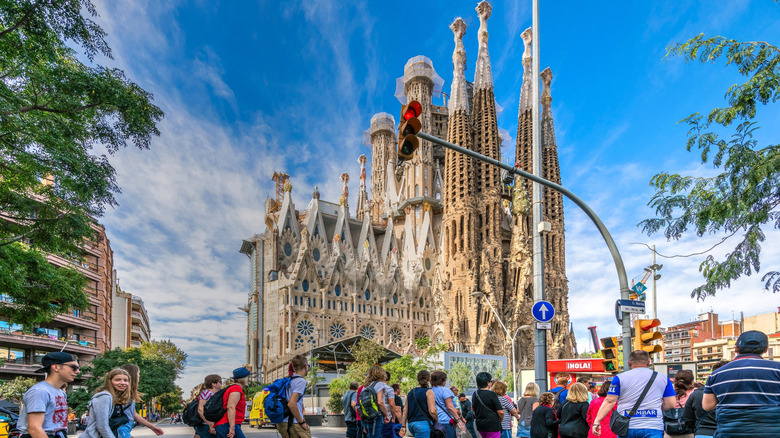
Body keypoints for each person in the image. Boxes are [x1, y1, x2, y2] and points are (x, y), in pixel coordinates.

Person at [702, 330, 780, 436]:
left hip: (730, 433)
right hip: (772, 433)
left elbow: (707, 406)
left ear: (736, 348)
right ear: (766, 349)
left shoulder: (716, 374)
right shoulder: (777, 369)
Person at [592, 350, 676, 438]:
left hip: (626, 427)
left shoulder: (619, 378)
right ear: (648, 362)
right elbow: (671, 403)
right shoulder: (663, 378)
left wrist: (597, 421)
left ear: (629, 363)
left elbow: (609, 401)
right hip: (653, 426)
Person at [17, 352, 77, 438]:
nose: (77, 371)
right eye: (73, 367)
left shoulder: (61, 393)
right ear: (56, 367)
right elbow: (35, 428)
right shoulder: (40, 391)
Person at [81, 369, 134, 438]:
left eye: (125, 380)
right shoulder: (104, 397)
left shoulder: (117, 397)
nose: (122, 383)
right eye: (118, 380)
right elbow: (102, 426)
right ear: (110, 381)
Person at [682, 361, 728, 438]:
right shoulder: (734, 393)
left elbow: (687, 417)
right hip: (726, 432)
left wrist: (695, 429)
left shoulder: (696, 394)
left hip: (702, 433)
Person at [118, 363, 163, 438]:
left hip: (125, 430)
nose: (139, 376)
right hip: (121, 430)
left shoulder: (129, 394)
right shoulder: (120, 395)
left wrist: (152, 427)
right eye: (138, 374)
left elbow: (134, 414)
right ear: (133, 376)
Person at [276, 355, 310, 438]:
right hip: (293, 423)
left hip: (283, 422)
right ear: (305, 366)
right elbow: (291, 403)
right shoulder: (301, 381)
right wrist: (302, 422)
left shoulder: (289, 380)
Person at [214, 367, 252, 438]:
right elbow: (231, 407)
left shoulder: (233, 388)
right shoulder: (236, 389)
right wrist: (232, 427)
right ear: (243, 379)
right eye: (248, 377)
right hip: (227, 424)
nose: (249, 379)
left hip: (225, 424)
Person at [399, 371, 436, 438]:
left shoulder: (411, 392)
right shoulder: (429, 391)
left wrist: (403, 426)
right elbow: (432, 410)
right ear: (429, 379)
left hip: (411, 424)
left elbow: (405, 410)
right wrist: (437, 420)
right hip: (423, 424)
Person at [431, 370, 464, 438]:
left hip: (434, 422)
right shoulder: (445, 390)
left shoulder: (429, 391)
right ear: (442, 381)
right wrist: (459, 420)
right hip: (445, 422)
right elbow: (450, 407)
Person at [472, 372, 504, 438]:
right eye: (491, 381)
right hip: (492, 425)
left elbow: (473, 408)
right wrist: (501, 418)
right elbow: (500, 412)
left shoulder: (475, 394)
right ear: (488, 383)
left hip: (480, 425)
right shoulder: (492, 394)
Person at [663, 370, 694, 438]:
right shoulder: (694, 393)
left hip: (669, 433)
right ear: (692, 382)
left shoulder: (669, 394)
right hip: (688, 432)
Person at [361, 365, 390, 438]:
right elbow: (380, 402)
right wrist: (386, 414)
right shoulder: (379, 384)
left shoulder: (365, 386)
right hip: (376, 416)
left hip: (366, 416)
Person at [380, 372, 399, 438]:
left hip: (376, 418)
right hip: (387, 418)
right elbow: (392, 404)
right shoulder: (389, 389)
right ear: (389, 379)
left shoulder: (374, 388)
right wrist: (393, 417)